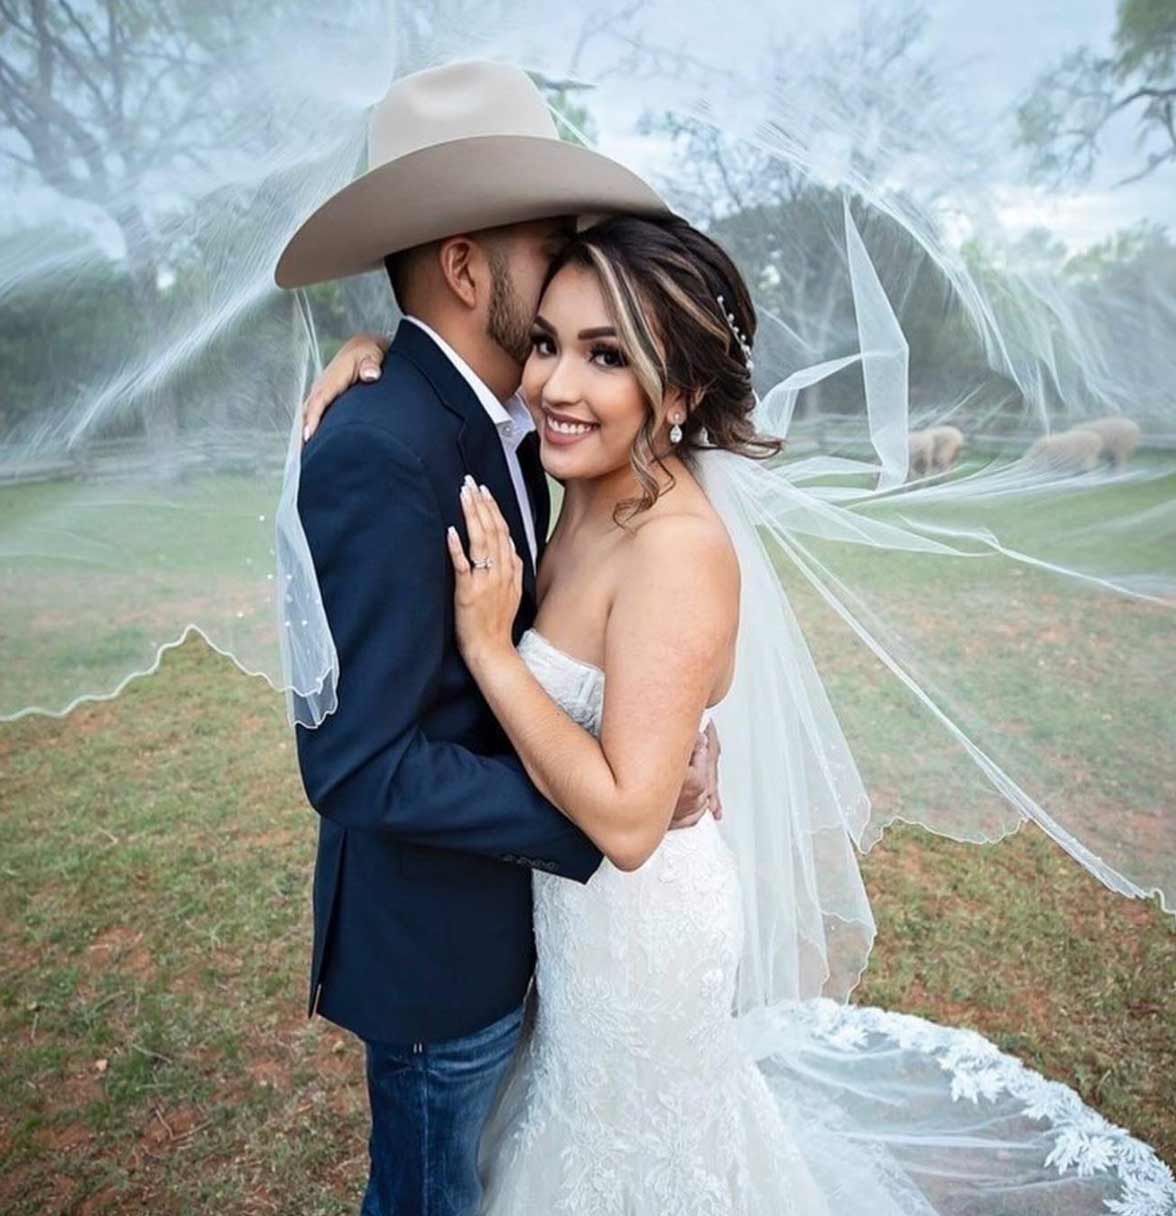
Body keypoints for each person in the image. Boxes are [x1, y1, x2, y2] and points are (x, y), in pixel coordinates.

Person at [308, 213, 1176, 1214]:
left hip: (637, 932)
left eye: (605, 356)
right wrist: (386, 352)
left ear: (675, 391)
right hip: (566, 922)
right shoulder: (578, 482)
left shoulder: (674, 545)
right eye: (546, 342)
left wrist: (492, 653)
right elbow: (464, 404)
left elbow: (633, 820)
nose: (553, 382)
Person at [277, 61, 720, 1216]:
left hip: (538, 946)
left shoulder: (528, 424)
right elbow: (355, 761)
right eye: (549, 243)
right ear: (468, 266)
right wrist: (621, 803)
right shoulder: (377, 446)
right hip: (438, 960)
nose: (572, 261)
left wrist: (654, 737)